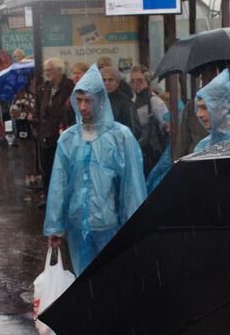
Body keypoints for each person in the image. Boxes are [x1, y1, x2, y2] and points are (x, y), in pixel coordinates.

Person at [43, 65, 146, 275]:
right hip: (76, 226)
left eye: (88, 100)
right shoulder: (68, 139)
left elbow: (132, 184)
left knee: (111, 280)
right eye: (79, 100)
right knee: (83, 281)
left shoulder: (120, 137)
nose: (82, 107)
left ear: (100, 100)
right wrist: (55, 226)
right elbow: (58, 184)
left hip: (110, 226)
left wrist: (133, 227)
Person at [178, 64, 230, 157]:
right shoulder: (191, 108)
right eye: (205, 78)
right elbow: (181, 147)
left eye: (214, 78)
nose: (200, 114)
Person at [34, 58, 75, 195]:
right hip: (45, 136)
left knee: (63, 170)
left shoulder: (70, 87)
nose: (46, 73)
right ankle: (48, 197)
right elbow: (38, 111)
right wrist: (39, 129)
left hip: (62, 136)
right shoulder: (43, 88)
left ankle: (63, 198)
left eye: (49, 70)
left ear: (59, 70)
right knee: (46, 169)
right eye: (45, 70)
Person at [190, 69, 230, 155]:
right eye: (198, 108)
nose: (199, 114)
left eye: (204, 108)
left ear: (220, 108)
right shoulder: (202, 147)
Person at [130, 64, 170, 175]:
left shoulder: (155, 102)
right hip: (137, 150)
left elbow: (167, 125)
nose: (135, 84)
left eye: (139, 81)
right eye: (133, 81)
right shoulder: (132, 100)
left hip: (152, 151)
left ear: (147, 81)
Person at [98, 60, 141, 139]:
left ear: (117, 83)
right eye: (104, 80)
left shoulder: (125, 102)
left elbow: (135, 130)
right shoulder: (97, 100)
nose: (107, 83)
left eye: (110, 80)